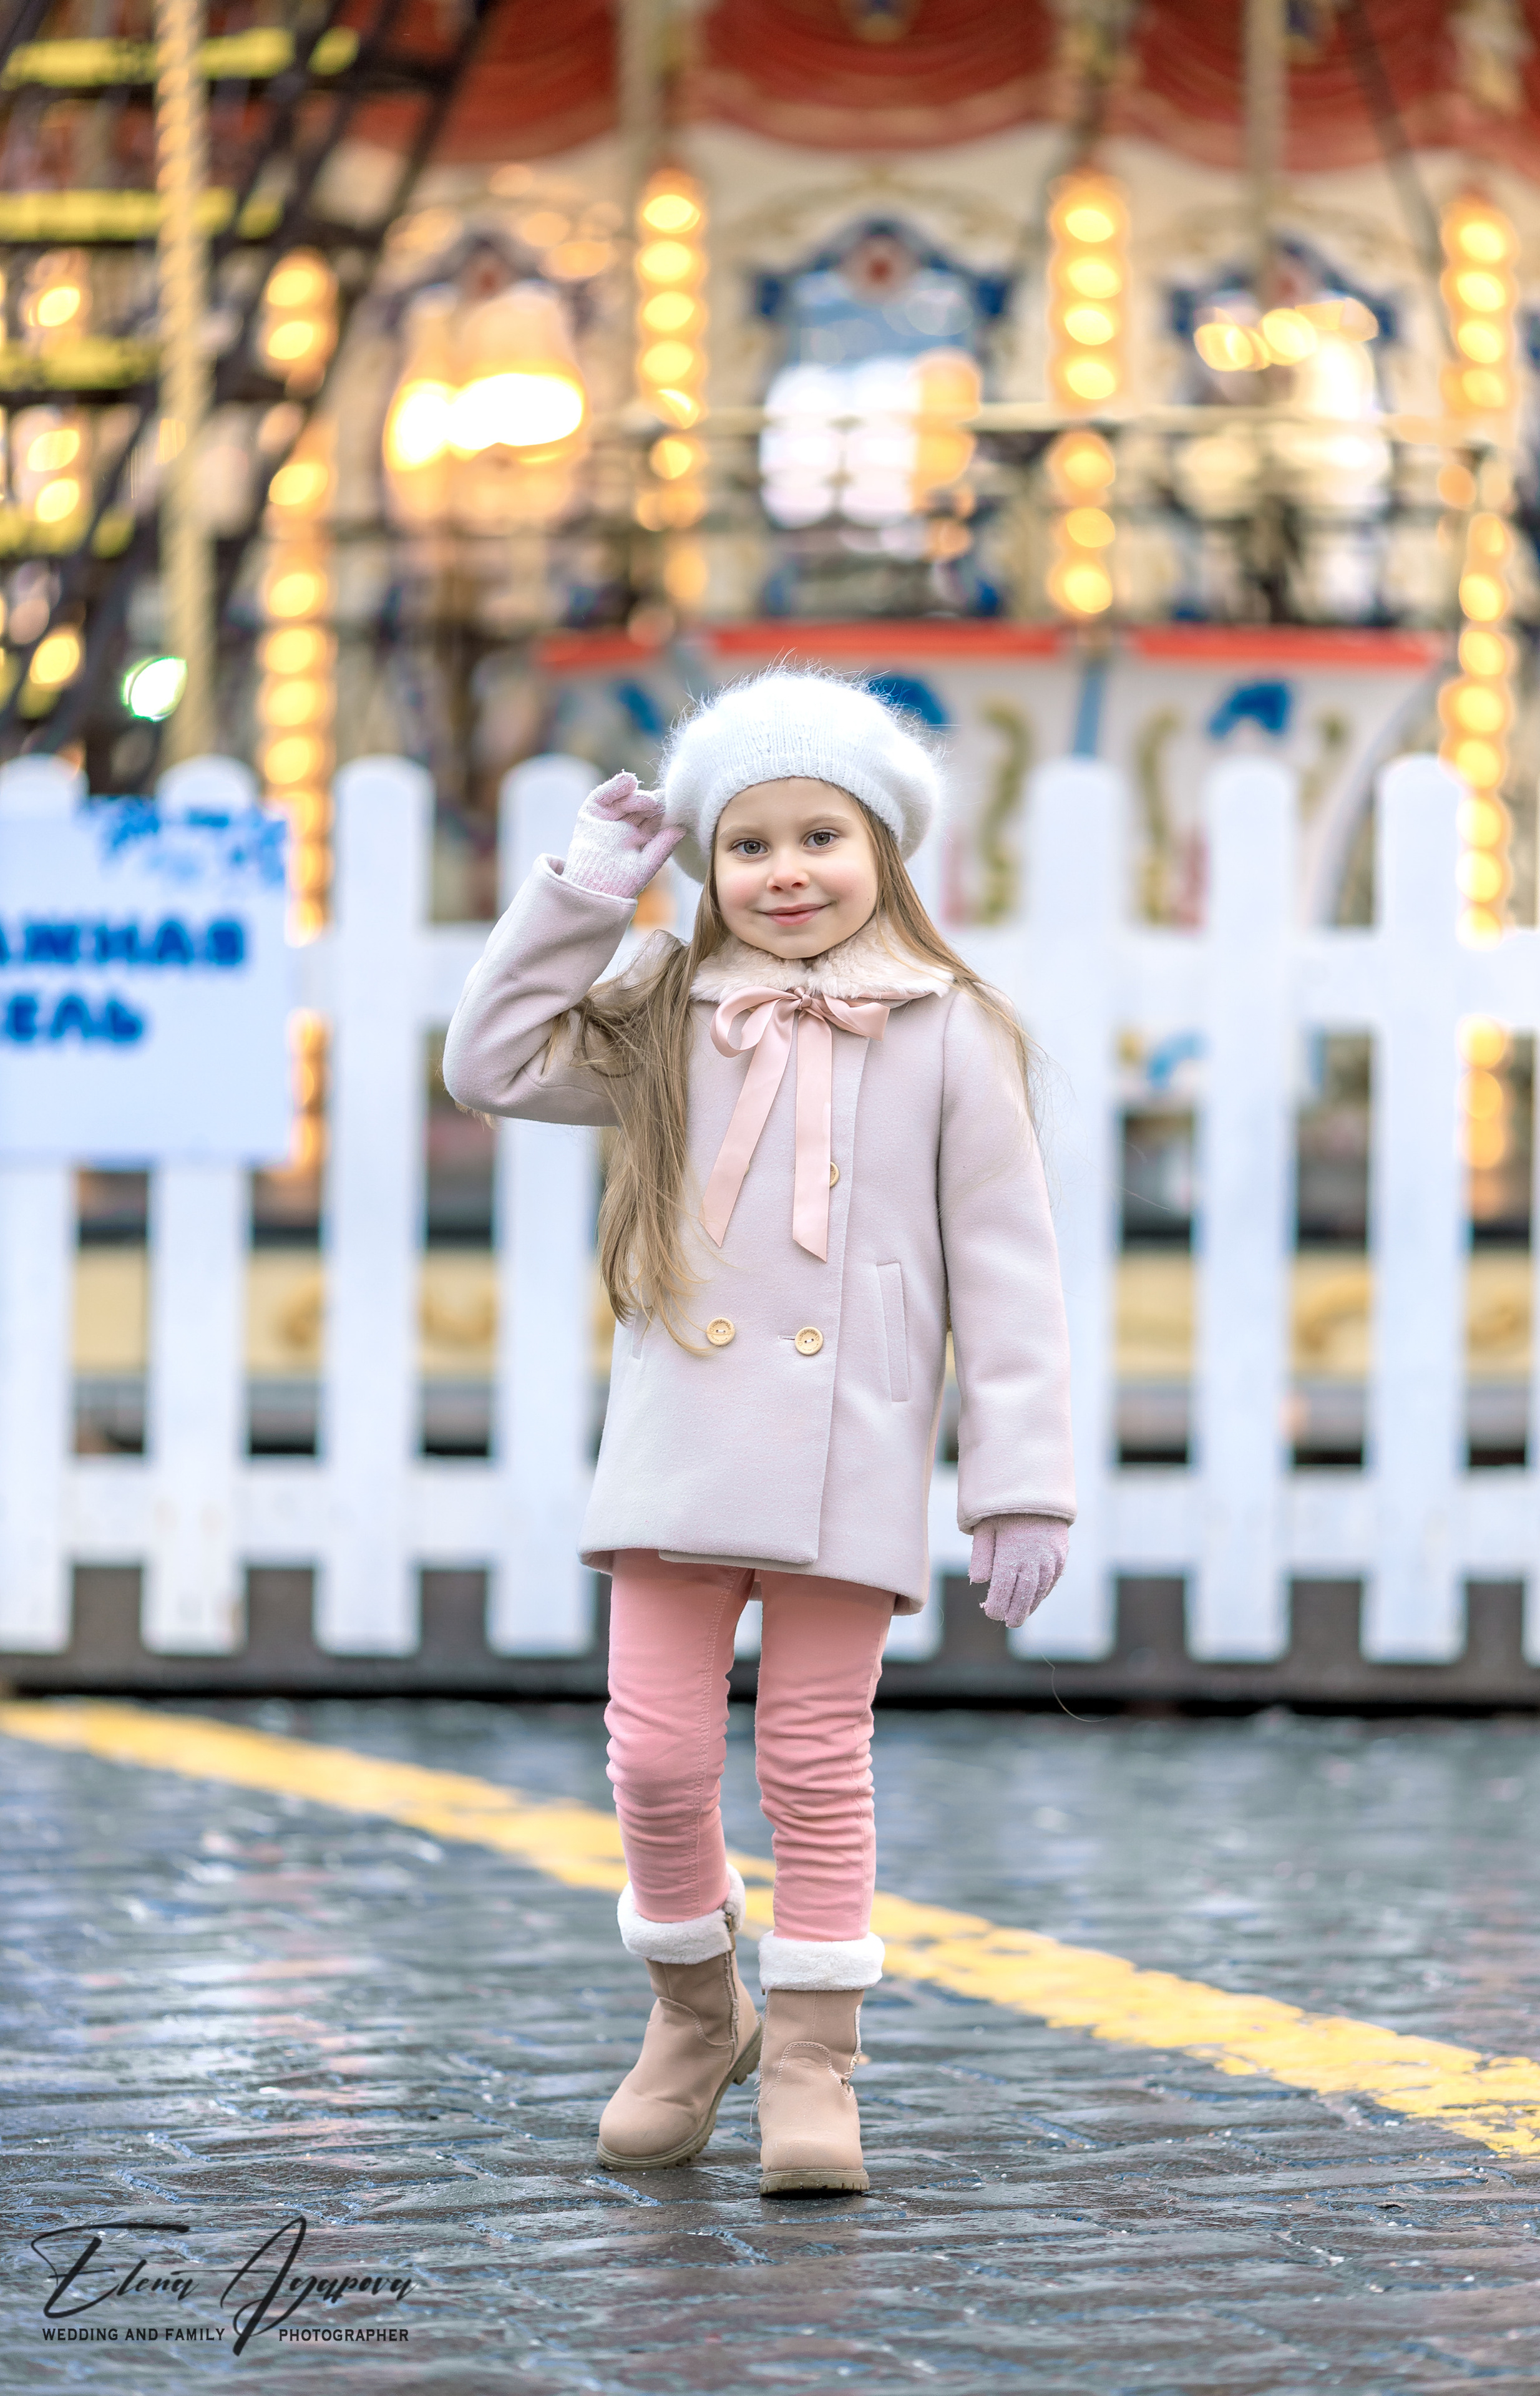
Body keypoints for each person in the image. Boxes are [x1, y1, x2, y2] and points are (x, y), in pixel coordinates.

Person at [444, 672, 1074, 2194]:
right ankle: (690, 2009)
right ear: (705, 864)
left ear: (884, 853)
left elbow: (1006, 1268)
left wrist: (1018, 1485)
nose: (785, 874)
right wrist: (590, 890)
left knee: (812, 1755)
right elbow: (490, 1063)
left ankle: (811, 2058)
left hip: (847, 1452)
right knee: (655, 1757)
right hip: (677, 1447)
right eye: (747, 845)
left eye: (820, 838)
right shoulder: (667, 1007)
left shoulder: (946, 1030)